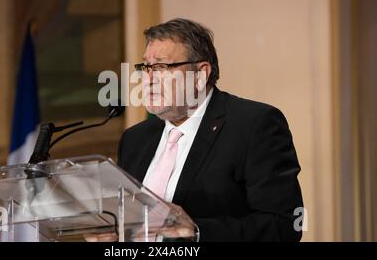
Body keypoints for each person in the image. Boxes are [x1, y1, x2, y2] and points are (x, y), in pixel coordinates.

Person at [116, 18, 304, 242]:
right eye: (145, 67)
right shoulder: (135, 139)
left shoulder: (254, 125)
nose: (148, 79)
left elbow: (284, 226)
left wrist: (197, 231)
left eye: (160, 67)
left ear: (200, 75)